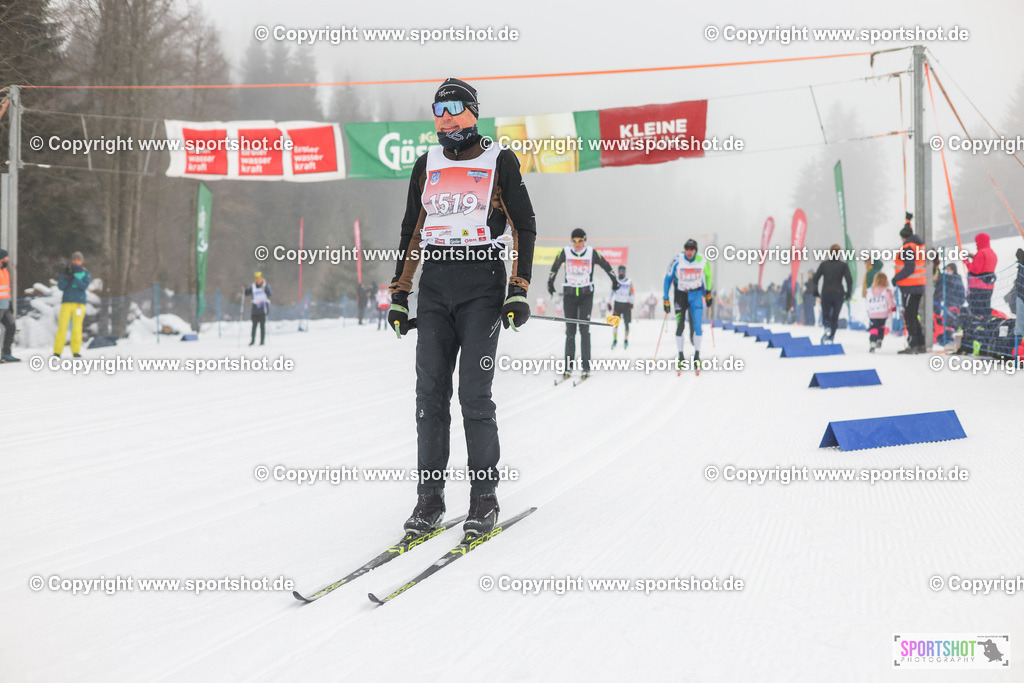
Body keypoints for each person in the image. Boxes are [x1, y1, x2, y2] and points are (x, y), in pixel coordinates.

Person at [387, 77, 536, 537]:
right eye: (438, 109)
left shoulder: (499, 160)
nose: (446, 116)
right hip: (435, 287)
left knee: (473, 395)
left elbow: (524, 227)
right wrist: (399, 294)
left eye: (455, 107)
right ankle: (429, 501)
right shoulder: (425, 164)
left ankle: (483, 499)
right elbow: (412, 230)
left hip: (481, 287)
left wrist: (518, 288)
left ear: (473, 112)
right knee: (429, 397)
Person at [547, 228, 618, 379]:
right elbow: (555, 267)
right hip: (570, 296)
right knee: (570, 331)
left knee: (584, 330)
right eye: (574, 241)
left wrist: (614, 280)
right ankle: (568, 367)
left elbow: (606, 265)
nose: (577, 244)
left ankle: (586, 367)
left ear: (585, 241)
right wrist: (550, 283)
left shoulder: (591, 253)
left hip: (586, 296)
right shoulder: (565, 252)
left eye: (580, 241)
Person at [663, 238, 713, 367]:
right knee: (680, 326)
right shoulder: (677, 260)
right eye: (686, 248)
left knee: (697, 325)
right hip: (680, 295)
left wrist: (708, 292)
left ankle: (697, 356)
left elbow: (708, 275)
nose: (689, 251)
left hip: (695, 294)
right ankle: (680, 356)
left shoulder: (702, 260)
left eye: (691, 249)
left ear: (695, 250)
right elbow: (667, 279)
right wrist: (665, 298)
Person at [892, 220, 927, 353]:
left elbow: (909, 267)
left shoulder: (907, 248)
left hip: (910, 286)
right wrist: (908, 221)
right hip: (918, 285)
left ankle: (913, 344)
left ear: (903, 237)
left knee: (910, 316)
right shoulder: (917, 246)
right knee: (913, 314)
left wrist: (896, 278)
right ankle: (920, 343)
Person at [811, 244, 852, 343]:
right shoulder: (843, 265)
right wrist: (848, 293)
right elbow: (849, 280)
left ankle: (827, 328)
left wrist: (815, 291)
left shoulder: (824, 264)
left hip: (826, 292)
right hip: (838, 293)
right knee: (835, 316)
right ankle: (832, 336)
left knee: (826, 313)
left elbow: (815, 278)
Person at [53, 252, 91, 358]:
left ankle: (76, 350)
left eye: (78, 260)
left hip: (79, 303)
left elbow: (84, 286)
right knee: (62, 327)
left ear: (81, 261)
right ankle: (57, 351)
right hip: (67, 302)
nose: (76, 262)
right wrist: (66, 277)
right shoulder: (66, 271)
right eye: (75, 260)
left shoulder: (85, 272)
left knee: (77, 328)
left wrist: (74, 278)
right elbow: (61, 286)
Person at [963, 232, 998, 319]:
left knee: (975, 310)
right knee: (985, 308)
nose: (976, 245)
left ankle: (977, 327)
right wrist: (974, 258)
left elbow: (975, 270)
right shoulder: (992, 253)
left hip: (977, 286)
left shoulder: (981, 253)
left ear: (980, 241)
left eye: (977, 242)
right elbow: (986, 266)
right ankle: (985, 326)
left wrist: (966, 261)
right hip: (989, 286)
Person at [865, 272, 896, 352]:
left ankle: (872, 341)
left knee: (873, 328)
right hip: (883, 313)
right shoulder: (886, 291)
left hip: (873, 313)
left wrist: (868, 310)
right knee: (881, 327)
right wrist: (893, 307)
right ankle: (879, 339)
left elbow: (867, 301)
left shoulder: (870, 291)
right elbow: (889, 301)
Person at [609, 265, 635, 349]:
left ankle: (626, 340)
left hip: (626, 304)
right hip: (617, 304)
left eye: (623, 271)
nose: (621, 272)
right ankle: (615, 340)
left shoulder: (629, 281)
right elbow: (611, 292)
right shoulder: (615, 281)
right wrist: (609, 302)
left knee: (626, 323)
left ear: (625, 271)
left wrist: (632, 302)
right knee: (615, 323)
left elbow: (632, 293)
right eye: (620, 270)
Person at [0, 249, 18, 363]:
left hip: (5, 305)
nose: (8, 259)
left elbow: (6, 289)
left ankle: (6, 353)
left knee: (11, 327)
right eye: (6, 257)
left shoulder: (5, 271)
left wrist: (10, 302)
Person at [244, 272, 271, 346]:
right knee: (254, 326)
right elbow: (246, 293)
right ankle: (252, 341)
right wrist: (245, 289)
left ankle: (262, 341)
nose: (258, 281)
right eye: (256, 279)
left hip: (263, 309)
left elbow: (270, 293)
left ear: (262, 279)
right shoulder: (253, 287)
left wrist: (265, 289)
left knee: (262, 326)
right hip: (255, 310)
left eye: (259, 279)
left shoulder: (266, 286)